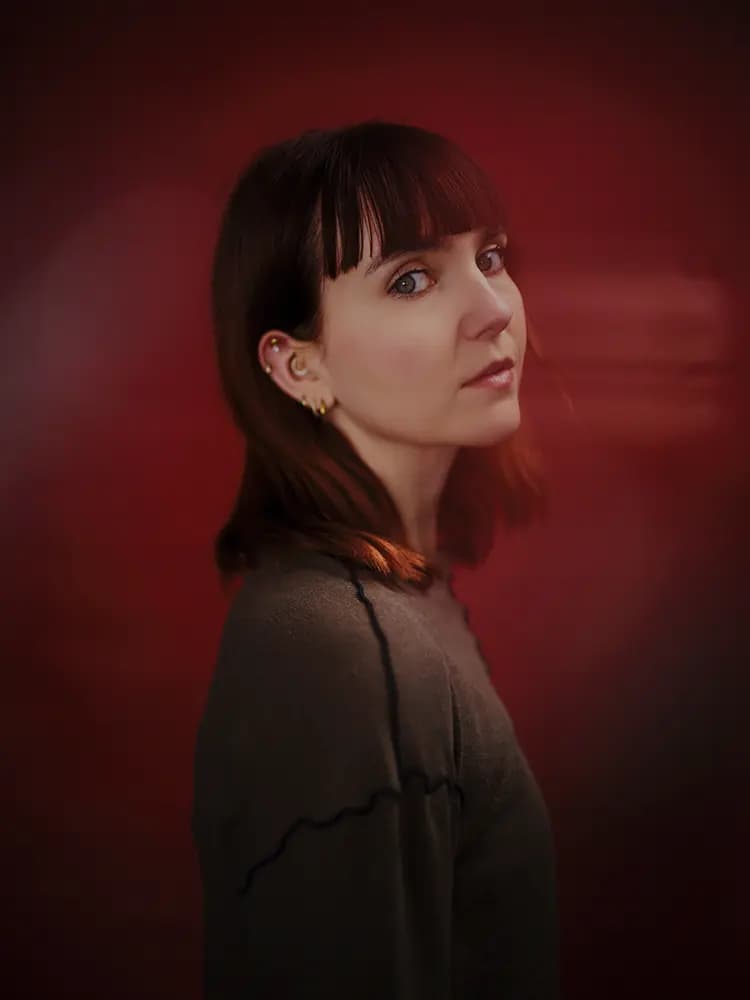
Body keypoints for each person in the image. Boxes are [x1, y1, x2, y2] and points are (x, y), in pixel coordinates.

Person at [190, 119, 560, 998]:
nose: (494, 309)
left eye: (493, 257)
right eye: (412, 277)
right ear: (297, 368)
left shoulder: (392, 608)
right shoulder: (338, 648)